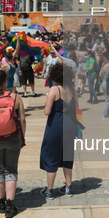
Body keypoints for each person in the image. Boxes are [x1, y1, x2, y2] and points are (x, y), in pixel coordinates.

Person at [0, 70, 26, 218]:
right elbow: (23, 120)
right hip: (14, 137)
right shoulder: (16, 97)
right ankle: (10, 206)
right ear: (6, 81)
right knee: (11, 170)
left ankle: (0, 203)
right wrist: (22, 137)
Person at [40, 64, 79, 200]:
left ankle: (50, 190)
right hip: (70, 125)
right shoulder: (72, 90)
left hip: (56, 125)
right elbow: (77, 110)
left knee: (51, 155)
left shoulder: (54, 90)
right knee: (67, 156)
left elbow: (47, 111)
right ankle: (68, 187)